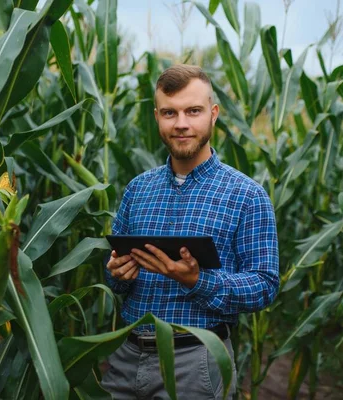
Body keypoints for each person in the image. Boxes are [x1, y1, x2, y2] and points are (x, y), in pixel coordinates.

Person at [101, 64, 279, 399]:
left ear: (213, 114)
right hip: (126, 356)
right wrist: (117, 273)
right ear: (157, 117)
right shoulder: (138, 189)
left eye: (193, 111)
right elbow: (115, 278)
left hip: (196, 360)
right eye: (169, 112)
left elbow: (265, 285)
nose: (181, 123)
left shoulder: (247, 195)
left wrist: (197, 281)